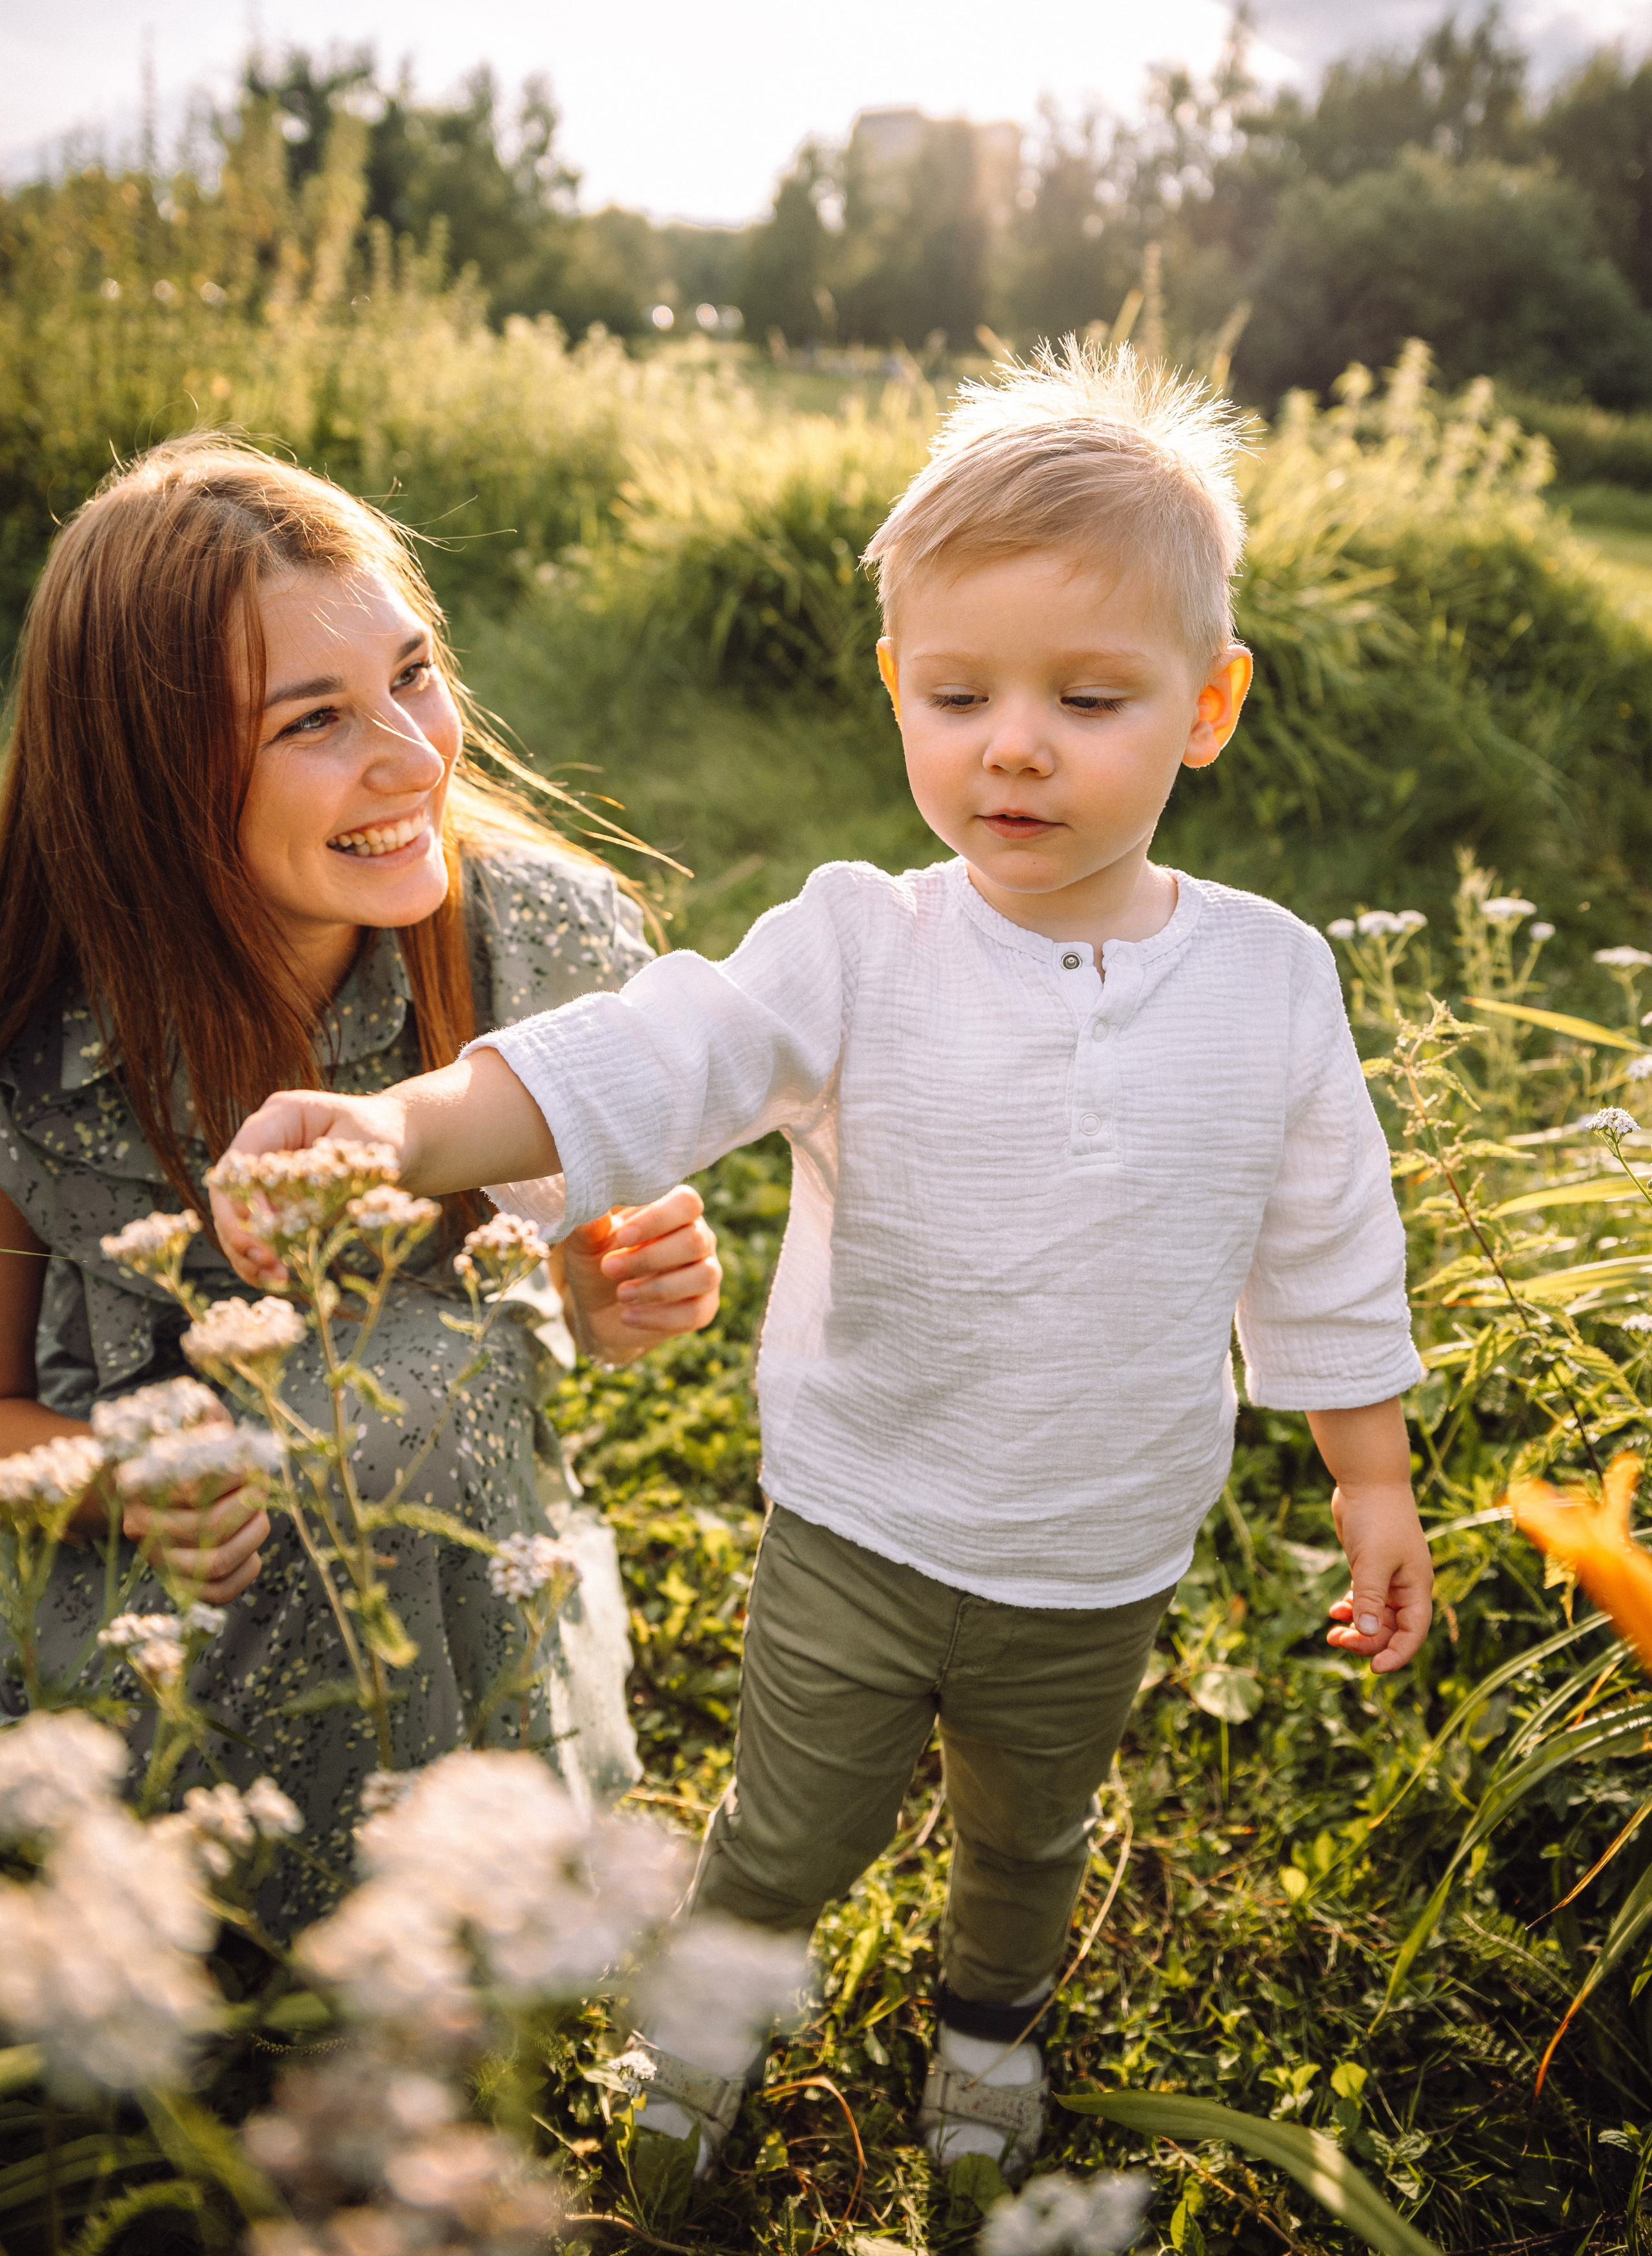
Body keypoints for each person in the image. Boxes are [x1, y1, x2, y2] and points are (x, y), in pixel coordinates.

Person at [212, 346, 1434, 2175]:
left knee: (1029, 1838)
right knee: (784, 1834)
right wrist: (402, 1130)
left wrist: (1375, 1474)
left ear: (1209, 703)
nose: (1012, 743)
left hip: (1097, 1551)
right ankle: (703, 2051)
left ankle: (991, 2037)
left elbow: (1327, 1233)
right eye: (959, 693)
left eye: (1088, 696)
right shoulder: (859, 944)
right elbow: (657, 1053)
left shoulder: (1272, 981)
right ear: (896, 690)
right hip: (861, 1520)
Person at [0, 435, 721, 1926]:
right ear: (152, 780)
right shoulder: (30, 1023)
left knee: (408, 1381)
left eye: (411, 674)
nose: (409, 754)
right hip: (137, 1599)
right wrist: (113, 1482)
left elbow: (562, 1253)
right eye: (313, 719)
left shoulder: (531, 938)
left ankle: (442, 1916)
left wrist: (600, 1275)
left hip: (443, 1574)